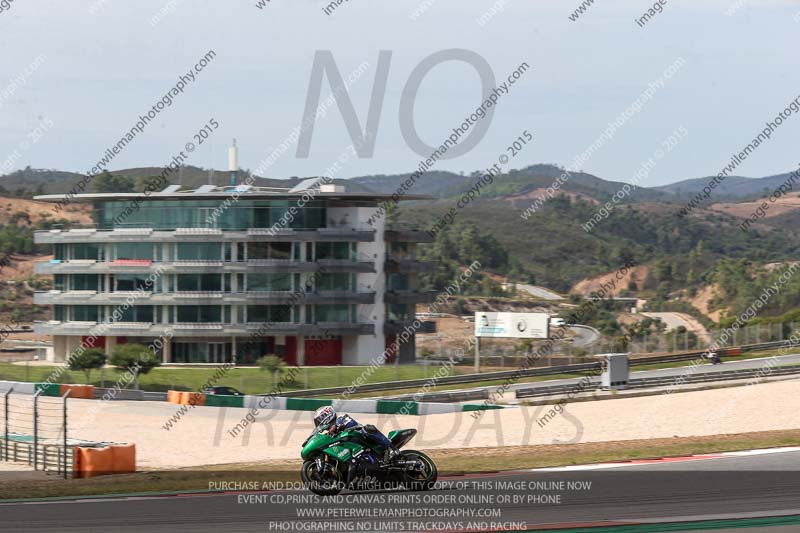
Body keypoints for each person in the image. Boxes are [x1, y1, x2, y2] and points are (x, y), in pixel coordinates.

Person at [313, 406, 398, 462]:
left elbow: (351, 423)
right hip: (352, 449)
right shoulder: (330, 433)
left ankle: (390, 448)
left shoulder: (341, 418)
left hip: (362, 439)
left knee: (367, 429)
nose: (319, 423)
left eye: (319, 420)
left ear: (326, 416)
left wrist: (338, 427)